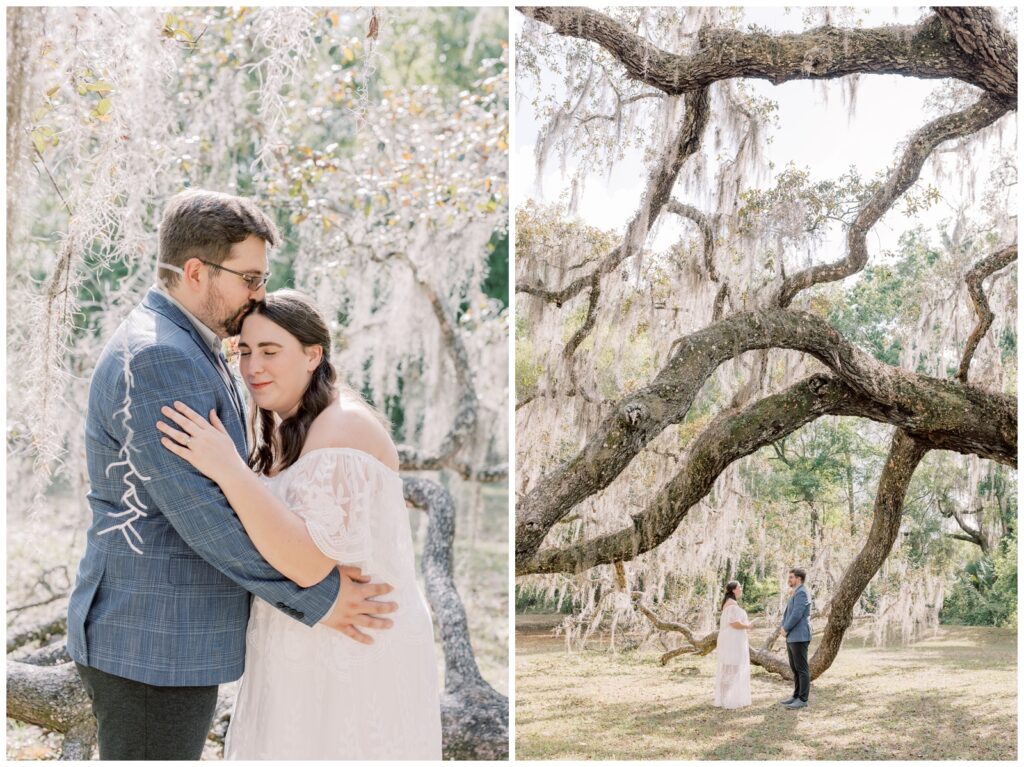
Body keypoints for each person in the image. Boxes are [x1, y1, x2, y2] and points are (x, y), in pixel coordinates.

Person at [66, 190, 397, 760]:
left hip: (165, 639)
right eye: (249, 279)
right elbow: (205, 518)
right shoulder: (159, 357)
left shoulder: (188, 343)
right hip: (152, 642)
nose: (259, 294)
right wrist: (320, 597)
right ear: (196, 272)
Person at [157, 289, 442, 759]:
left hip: (353, 646)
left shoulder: (342, 426)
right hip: (302, 637)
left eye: (270, 351)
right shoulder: (283, 427)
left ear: (313, 355)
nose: (253, 368)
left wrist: (225, 467)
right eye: (244, 352)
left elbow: (308, 563)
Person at [713, 580, 753, 709]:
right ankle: (729, 699)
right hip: (732, 640)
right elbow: (734, 623)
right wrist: (748, 625)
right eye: (739, 587)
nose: (741, 589)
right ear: (734, 590)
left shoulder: (728, 603)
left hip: (731, 638)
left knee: (728, 667)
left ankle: (725, 698)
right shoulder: (732, 604)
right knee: (733, 667)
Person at [779, 567, 812, 709]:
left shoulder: (802, 593)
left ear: (798, 578)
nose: (789, 579)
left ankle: (803, 699)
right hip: (792, 636)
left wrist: (785, 628)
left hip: (799, 636)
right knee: (795, 668)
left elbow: (797, 614)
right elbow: (789, 613)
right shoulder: (796, 592)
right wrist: (783, 627)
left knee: (802, 668)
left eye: (791, 577)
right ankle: (796, 695)